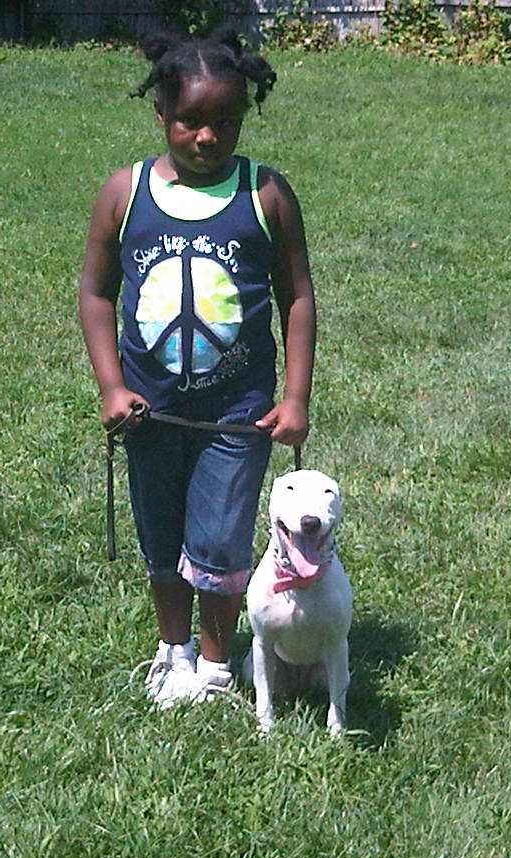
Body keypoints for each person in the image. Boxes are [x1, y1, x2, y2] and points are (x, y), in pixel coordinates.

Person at [79, 28, 316, 707]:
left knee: (219, 538)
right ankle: (172, 651)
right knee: (161, 534)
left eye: (225, 121)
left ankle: (215, 666)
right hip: (148, 410)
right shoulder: (125, 194)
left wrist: (295, 397)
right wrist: (110, 385)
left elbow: (297, 297)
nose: (208, 136)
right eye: (190, 120)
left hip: (240, 411)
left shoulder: (265, 194)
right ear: (160, 114)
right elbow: (97, 295)